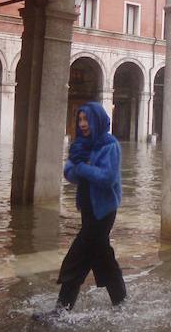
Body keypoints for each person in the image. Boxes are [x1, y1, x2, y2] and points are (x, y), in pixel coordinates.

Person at [41, 102, 126, 316]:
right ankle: (121, 302)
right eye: (79, 119)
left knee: (77, 257)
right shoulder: (81, 145)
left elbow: (107, 178)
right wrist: (80, 168)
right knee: (102, 256)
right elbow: (69, 173)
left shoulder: (110, 145)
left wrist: (82, 168)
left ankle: (61, 311)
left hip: (104, 211)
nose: (82, 124)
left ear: (97, 119)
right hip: (88, 209)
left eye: (86, 119)